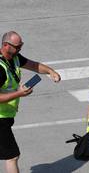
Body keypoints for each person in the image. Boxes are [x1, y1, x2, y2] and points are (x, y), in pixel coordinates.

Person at [0, 31, 61, 173]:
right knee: (12, 156)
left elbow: (33, 65)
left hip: (6, 116)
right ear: (5, 45)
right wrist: (19, 93)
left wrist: (50, 71)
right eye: (17, 46)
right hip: (0, 118)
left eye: (21, 45)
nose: (20, 48)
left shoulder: (14, 57)